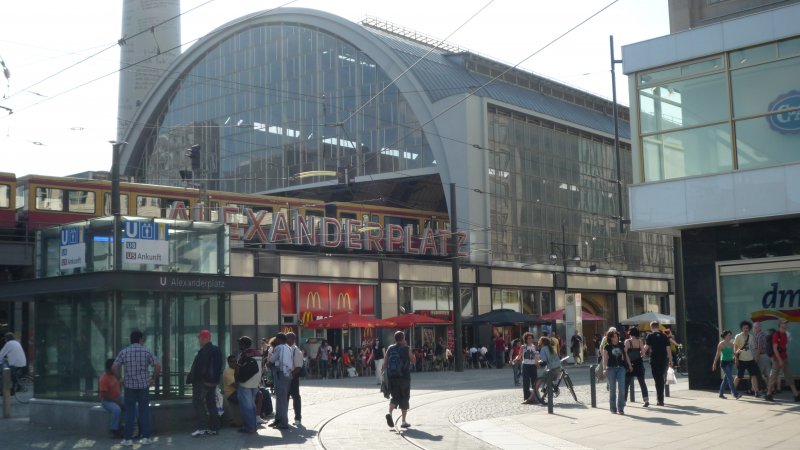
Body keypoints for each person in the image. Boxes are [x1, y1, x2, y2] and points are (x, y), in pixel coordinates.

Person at [112, 330, 161, 447]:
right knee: (144, 412)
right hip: (144, 386)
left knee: (130, 412)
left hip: (129, 387)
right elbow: (158, 365)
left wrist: (120, 379)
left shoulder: (124, 352)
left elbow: (114, 367)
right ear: (140, 339)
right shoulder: (146, 351)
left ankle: (127, 439)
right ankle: (146, 437)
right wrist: (153, 379)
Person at [187, 329, 223, 437]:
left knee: (198, 403)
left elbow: (199, 368)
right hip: (213, 383)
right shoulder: (216, 350)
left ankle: (202, 427)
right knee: (211, 404)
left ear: (205, 338)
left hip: (202, 382)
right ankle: (214, 428)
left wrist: (195, 378)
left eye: (200, 338)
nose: (199, 340)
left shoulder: (204, 351)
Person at [384, 330, 416, 428]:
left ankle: (389, 413)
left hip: (393, 377)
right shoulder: (406, 348)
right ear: (403, 339)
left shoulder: (390, 348)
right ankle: (403, 421)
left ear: (395, 338)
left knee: (395, 397)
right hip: (404, 377)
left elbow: (385, 363)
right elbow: (413, 361)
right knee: (405, 398)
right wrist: (410, 351)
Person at [765, 319, 800, 402]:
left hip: (784, 357)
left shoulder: (784, 334)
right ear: (780, 324)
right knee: (773, 377)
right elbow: (775, 348)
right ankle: (768, 394)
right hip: (777, 358)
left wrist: (783, 358)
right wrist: (780, 360)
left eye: (787, 323)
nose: (786, 324)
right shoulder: (776, 334)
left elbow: (784, 346)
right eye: (785, 323)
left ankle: (796, 394)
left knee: (789, 375)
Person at [235, 336, 262, 434]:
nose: (238, 345)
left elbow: (237, 369)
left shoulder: (243, 355)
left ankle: (249, 427)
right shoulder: (258, 353)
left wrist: (236, 380)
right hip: (255, 383)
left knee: (246, 407)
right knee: (252, 405)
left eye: (240, 343)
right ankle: (253, 426)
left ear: (243, 345)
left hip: (245, 383)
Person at [643, 321, 672, 406]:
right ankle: (660, 399)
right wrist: (671, 360)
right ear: (658, 327)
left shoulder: (650, 336)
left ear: (651, 327)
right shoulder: (664, 336)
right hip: (664, 360)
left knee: (657, 379)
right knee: (661, 379)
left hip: (654, 360)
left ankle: (660, 400)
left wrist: (641, 353)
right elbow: (668, 349)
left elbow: (646, 347)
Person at [603, 330, 632, 414]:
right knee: (612, 389)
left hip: (621, 368)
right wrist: (604, 369)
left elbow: (625, 355)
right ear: (611, 338)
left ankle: (621, 408)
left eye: (617, 336)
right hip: (611, 368)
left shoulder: (621, 345)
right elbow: (605, 359)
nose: (616, 338)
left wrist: (629, 365)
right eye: (614, 336)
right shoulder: (607, 347)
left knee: (622, 388)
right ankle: (613, 408)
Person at [268, 333, 292, 430]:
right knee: (281, 398)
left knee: (281, 399)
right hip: (287, 374)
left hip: (280, 373)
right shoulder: (288, 347)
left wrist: (268, 363)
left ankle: (283, 422)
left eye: (276, 339)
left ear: (279, 339)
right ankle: (278, 419)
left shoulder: (279, 348)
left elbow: (272, 360)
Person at [733, 320, 760, 397]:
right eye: (744, 328)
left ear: (749, 328)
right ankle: (733, 390)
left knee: (753, 375)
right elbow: (735, 348)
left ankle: (756, 392)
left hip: (750, 359)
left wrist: (756, 356)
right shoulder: (738, 336)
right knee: (739, 376)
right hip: (741, 359)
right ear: (742, 328)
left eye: (747, 328)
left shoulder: (751, 337)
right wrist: (736, 359)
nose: (746, 329)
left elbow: (753, 348)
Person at [99, 358, 124, 438]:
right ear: (110, 368)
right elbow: (104, 394)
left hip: (118, 397)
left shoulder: (114, 375)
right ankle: (114, 429)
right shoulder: (104, 378)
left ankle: (133, 425)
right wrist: (116, 401)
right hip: (107, 400)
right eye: (114, 367)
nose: (116, 369)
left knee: (131, 403)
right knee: (116, 409)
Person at [624, 327, 649, 407]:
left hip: (630, 364)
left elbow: (625, 353)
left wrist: (629, 364)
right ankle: (646, 399)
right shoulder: (640, 341)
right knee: (642, 382)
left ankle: (624, 400)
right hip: (639, 363)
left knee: (626, 383)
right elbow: (644, 354)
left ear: (630, 333)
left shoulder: (627, 341)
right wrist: (640, 355)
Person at [712, 330, 741, 399]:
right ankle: (735, 394)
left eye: (730, 335)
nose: (730, 336)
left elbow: (734, 354)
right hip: (724, 363)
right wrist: (714, 363)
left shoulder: (732, 344)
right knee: (730, 378)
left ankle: (721, 394)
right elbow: (717, 354)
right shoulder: (721, 344)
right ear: (725, 336)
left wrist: (738, 352)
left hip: (731, 362)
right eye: (729, 335)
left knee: (726, 379)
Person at [535, 336, 562, 405]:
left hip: (552, 368)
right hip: (558, 367)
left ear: (542, 342)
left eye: (540, 341)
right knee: (548, 382)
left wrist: (538, 363)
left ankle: (538, 397)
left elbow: (544, 362)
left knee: (539, 381)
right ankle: (543, 397)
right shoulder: (551, 348)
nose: (539, 342)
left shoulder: (543, 349)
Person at [514, 332, 538, 404]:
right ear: (526, 339)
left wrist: (537, 362)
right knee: (526, 383)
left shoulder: (534, 346)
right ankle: (527, 398)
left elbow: (535, 356)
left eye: (531, 338)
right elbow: (519, 355)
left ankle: (535, 398)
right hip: (526, 365)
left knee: (535, 382)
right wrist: (515, 359)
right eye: (529, 338)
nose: (530, 340)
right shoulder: (523, 347)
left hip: (533, 366)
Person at [286, 332, 303, 426]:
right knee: (285, 398)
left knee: (296, 397)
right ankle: (284, 418)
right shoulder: (286, 349)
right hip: (287, 377)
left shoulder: (296, 351)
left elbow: (298, 367)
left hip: (293, 377)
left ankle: (298, 418)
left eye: (288, 338)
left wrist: (290, 376)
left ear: (293, 340)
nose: (287, 340)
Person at [222, 355, 241, 427]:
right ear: (228, 363)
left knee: (262, 393)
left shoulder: (237, 368)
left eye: (236, 361)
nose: (235, 363)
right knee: (246, 398)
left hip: (238, 391)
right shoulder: (227, 372)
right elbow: (236, 386)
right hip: (230, 393)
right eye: (232, 362)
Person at [753, 321, 771, 396]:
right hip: (766, 356)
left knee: (756, 374)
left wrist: (756, 359)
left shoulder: (759, 336)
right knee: (767, 374)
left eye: (755, 327)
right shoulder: (764, 334)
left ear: (757, 328)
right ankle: (770, 389)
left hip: (761, 356)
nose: (754, 329)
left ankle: (757, 390)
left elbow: (759, 349)